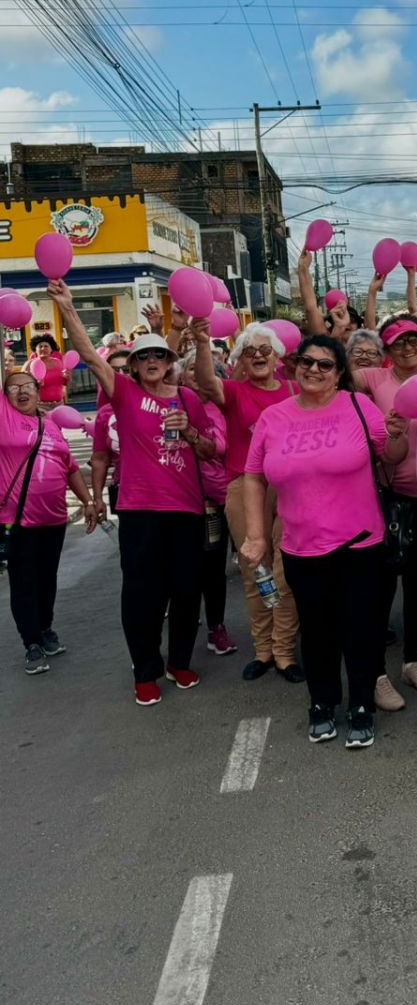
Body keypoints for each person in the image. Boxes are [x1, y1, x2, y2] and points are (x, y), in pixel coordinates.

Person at [50, 279, 218, 706]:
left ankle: (179, 661)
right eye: (144, 357)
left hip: (186, 510)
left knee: (185, 590)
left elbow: (212, 450)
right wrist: (68, 308)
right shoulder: (122, 394)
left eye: (159, 355)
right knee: (142, 593)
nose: (152, 362)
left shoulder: (186, 398)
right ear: (135, 366)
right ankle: (145, 671)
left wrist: (192, 431)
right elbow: (89, 355)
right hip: (141, 510)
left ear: (169, 361)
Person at [241, 335, 407, 748]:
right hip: (301, 545)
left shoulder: (358, 406)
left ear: (338, 375)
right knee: (317, 632)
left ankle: (362, 706)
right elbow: (254, 475)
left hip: (360, 542)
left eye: (325, 365)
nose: (313, 370)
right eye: (307, 362)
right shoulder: (274, 417)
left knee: (361, 630)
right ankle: (322, 703)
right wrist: (257, 536)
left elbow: (392, 456)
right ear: (295, 366)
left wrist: (399, 434)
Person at [192, 322, 305, 683]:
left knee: (286, 570)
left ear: (277, 357)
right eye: (249, 351)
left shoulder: (295, 390)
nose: (258, 356)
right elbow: (206, 382)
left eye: (264, 350)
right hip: (244, 484)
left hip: (290, 486)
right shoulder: (234, 392)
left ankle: (285, 650)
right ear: (240, 358)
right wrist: (200, 340)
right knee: (254, 567)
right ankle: (264, 650)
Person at [355, 316, 417, 690]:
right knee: (379, 589)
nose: (407, 348)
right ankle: (375, 671)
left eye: (413, 340)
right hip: (387, 500)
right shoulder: (374, 379)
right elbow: (327, 373)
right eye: (398, 343)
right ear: (386, 351)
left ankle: (411, 661)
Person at [2, 368, 97, 674]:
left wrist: (88, 501)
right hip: (18, 521)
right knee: (24, 581)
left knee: (47, 578)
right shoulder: (3, 420)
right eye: (13, 388)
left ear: (38, 390)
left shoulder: (51, 425)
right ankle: (31, 642)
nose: (21, 392)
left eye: (27, 385)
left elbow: (69, 467)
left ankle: (45, 629)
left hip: (54, 519)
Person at [178, 345, 236, 658]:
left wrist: (192, 434)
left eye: (207, 373)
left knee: (213, 568)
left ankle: (216, 627)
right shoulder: (169, 404)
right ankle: (181, 628)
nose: (199, 377)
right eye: (192, 370)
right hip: (175, 500)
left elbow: (218, 449)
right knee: (180, 569)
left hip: (216, 500)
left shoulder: (220, 408)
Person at [90, 348, 132, 516]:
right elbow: (100, 459)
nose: (121, 374)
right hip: (126, 493)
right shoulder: (105, 412)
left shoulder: (158, 399)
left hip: (167, 492)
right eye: (115, 370)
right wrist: (98, 498)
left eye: (126, 369)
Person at [31, 336, 69, 408]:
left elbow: (65, 383)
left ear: (51, 349)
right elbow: (23, 386)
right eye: (40, 346)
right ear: (35, 349)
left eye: (46, 346)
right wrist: (37, 385)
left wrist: (68, 377)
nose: (43, 348)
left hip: (59, 404)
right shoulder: (30, 364)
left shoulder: (58, 362)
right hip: (40, 406)